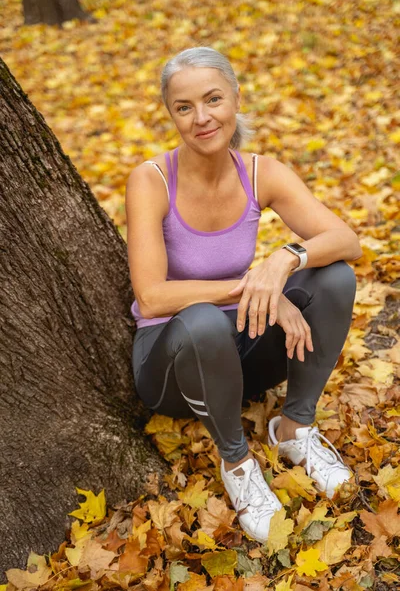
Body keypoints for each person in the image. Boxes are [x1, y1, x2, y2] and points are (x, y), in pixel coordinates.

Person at [125, 47, 362, 543]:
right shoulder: (151, 180)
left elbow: (346, 241)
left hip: (240, 349)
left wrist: (283, 260)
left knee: (333, 276)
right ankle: (237, 464)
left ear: (235, 97)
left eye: (213, 99)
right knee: (205, 320)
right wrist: (257, 289)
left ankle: (294, 429)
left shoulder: (260, 172)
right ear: (171, 114)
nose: (202, 117)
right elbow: (151, 297)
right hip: (173, 364)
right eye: (184, 107)